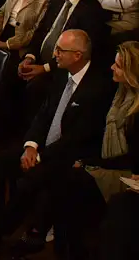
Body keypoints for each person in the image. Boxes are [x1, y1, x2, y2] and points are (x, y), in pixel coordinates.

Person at [0, 30, 115, 258]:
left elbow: (77, 137)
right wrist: (31, 146)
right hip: (41, 147)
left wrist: (40, 156)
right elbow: (43, 115)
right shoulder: (62, 75)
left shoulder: (98, 89)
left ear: (78, 56)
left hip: (67, 156)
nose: (55, 54)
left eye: (60, 50)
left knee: (29, 182)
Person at [36, 41, 139, 259]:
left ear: (132, 73)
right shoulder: (119, 93)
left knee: (72, 183)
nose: (112, 67)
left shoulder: (135, 111)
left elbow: (131, 159)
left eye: (118, 65)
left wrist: (90, 163)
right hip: (109, 161)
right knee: (63, 179)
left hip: (126, 172)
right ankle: (63, 247)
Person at [17, 0, 110, 112]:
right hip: (40, 59)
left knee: (35, 87)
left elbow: (79, 56)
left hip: (61, 69)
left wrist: (44, 68)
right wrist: (30, 57)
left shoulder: (92, 13)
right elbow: (41, 31)